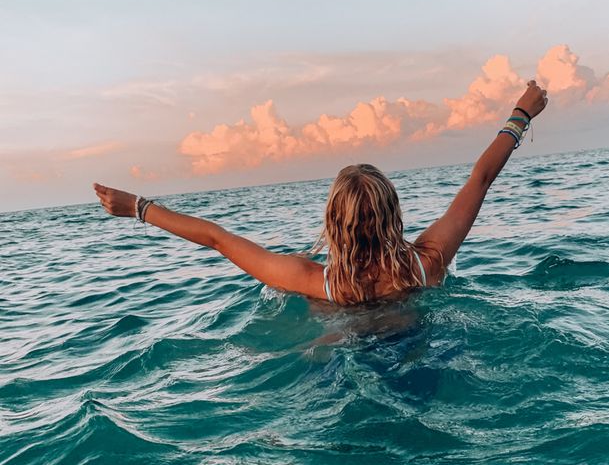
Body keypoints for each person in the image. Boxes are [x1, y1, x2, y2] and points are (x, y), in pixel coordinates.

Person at [94, 81, 548, 305]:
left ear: (333, 221)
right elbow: (480, 180)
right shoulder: (426, 263)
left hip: (342, 363)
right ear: (394, 215)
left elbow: (218, 239)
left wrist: (138, 207)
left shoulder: (316, 282)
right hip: (420, 354)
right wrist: (520, 114)